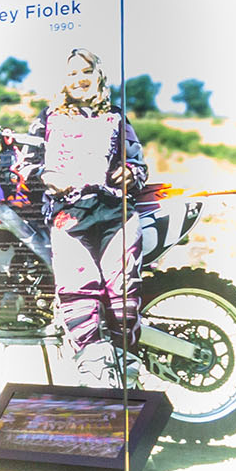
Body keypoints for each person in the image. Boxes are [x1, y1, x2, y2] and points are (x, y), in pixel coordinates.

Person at [36, 50, 148, 389]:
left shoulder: (116, 117)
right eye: (72, 74)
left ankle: (128, 373)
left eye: (86, 71)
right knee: (78, 292)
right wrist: (47, 176)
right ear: (63, 80)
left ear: (99, 76)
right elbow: (24, 164)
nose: (79, 79)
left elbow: (139, 164)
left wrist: (130, 172)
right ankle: (94, 375)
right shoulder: (47, 118)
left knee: (124, 297)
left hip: (117, 214)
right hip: (69, 214)